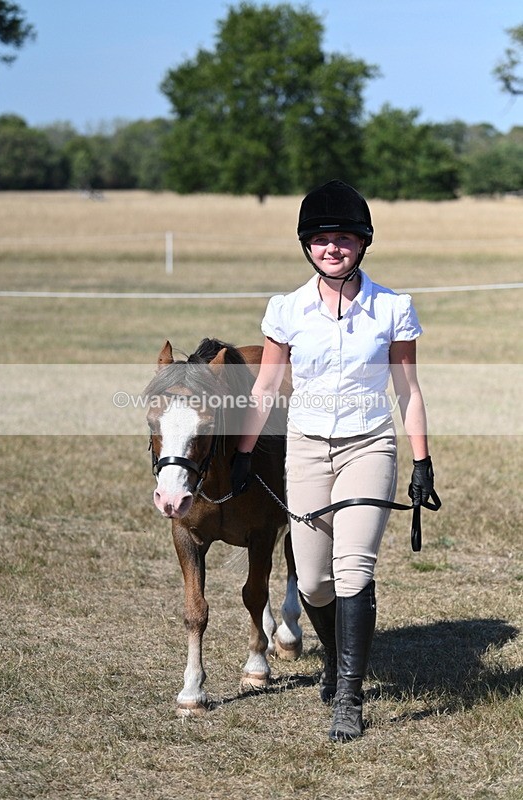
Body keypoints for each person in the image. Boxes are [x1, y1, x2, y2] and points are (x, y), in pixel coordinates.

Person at [230, 179, 438, 743]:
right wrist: (244, 453)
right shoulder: (287, 309)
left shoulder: (392, 308)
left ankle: (349, 694)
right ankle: (332, 659)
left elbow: (408, 391)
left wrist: (422, 462)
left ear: (362, 244)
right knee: (315, 582)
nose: (332, 249)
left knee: (353, 572)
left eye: (343, 239)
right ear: (307, 246)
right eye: (321, 239)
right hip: (306, 447)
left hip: (369, 444)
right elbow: (267, 386)